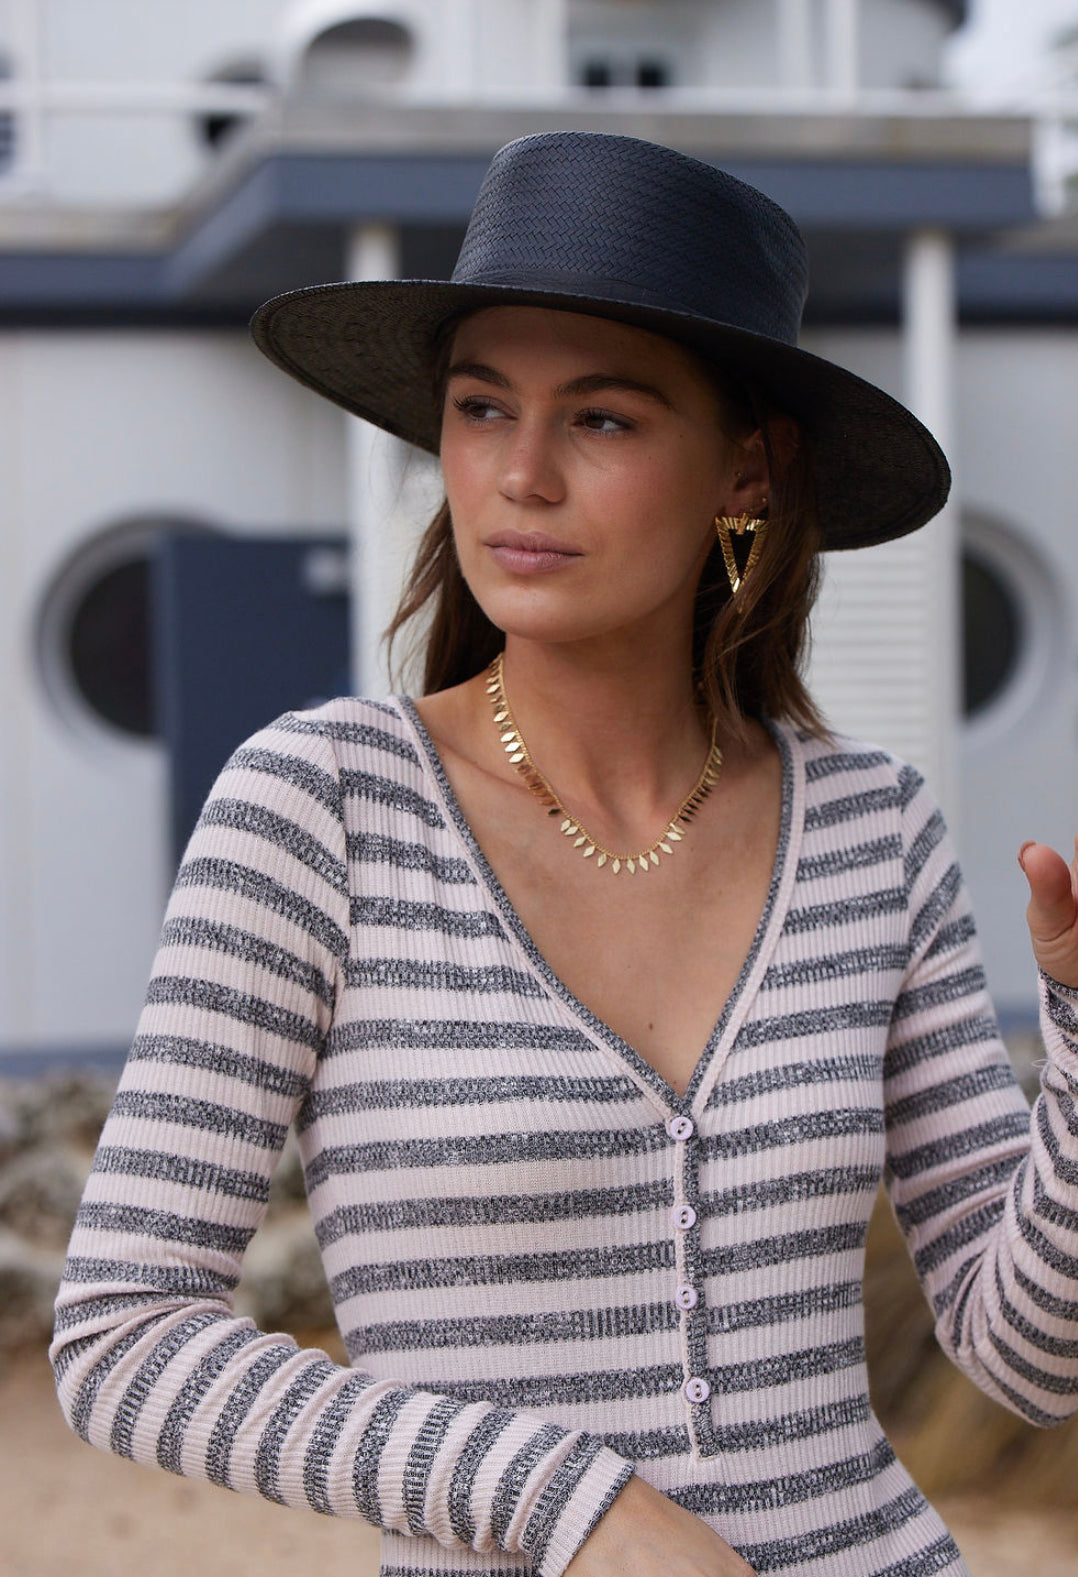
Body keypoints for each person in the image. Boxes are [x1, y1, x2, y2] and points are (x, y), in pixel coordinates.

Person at [51, 132, 1078, 1577]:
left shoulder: (869, 828)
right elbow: (124, 1334)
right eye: (481, 408)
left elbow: (1027, 1356)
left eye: (600, 420)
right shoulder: (319, 808)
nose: (518, 474)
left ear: (744, 471)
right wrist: (567, 1501)